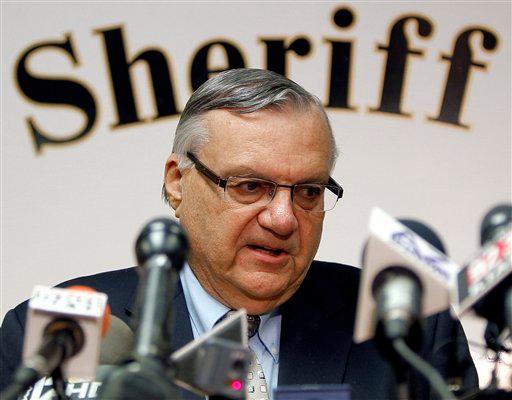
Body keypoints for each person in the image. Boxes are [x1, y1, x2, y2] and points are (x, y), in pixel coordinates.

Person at [1, 68, 477, 399]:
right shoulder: (64, 333)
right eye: (250, 186)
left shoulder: (409, 330)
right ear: (177, 182)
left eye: (308, 192)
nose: (283, 219)